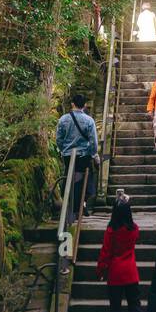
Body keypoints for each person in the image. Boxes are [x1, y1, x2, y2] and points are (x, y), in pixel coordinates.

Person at [97, 196, 148, 312]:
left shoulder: (111, 231)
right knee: (135, 304)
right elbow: (135, 231)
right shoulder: (134, 230)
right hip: (131, 271)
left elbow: (105, 252)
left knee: (115, 306)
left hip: (115, 272)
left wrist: (100, 270)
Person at [55, 93, 98, 222]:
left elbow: (59, 139)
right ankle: (82, 204)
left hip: (68, 155)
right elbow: (93, 141)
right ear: (84, 105)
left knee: (70, 178)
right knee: (85, 179)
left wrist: (64, 150)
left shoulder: (63, 119)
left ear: (72, 104)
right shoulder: (89, 121)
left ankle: (72, 205)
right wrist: (92, 153)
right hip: (83, 155)